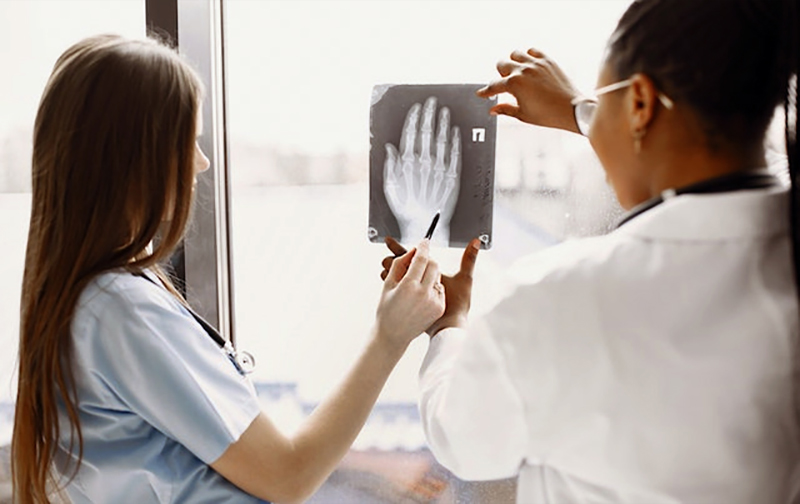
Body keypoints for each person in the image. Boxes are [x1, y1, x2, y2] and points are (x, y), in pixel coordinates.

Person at [382, 0, 800, 502]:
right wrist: (590, 110)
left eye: (608, 101)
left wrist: (448, 328)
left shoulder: (559, 299)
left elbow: (463, 441)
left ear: (641, 105)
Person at [11, 34, 446, 504]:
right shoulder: (121, 309)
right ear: (134, 157)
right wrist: (389, 338)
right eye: (187, 141)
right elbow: (287, 476)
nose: (201, 163)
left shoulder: (96, 297)